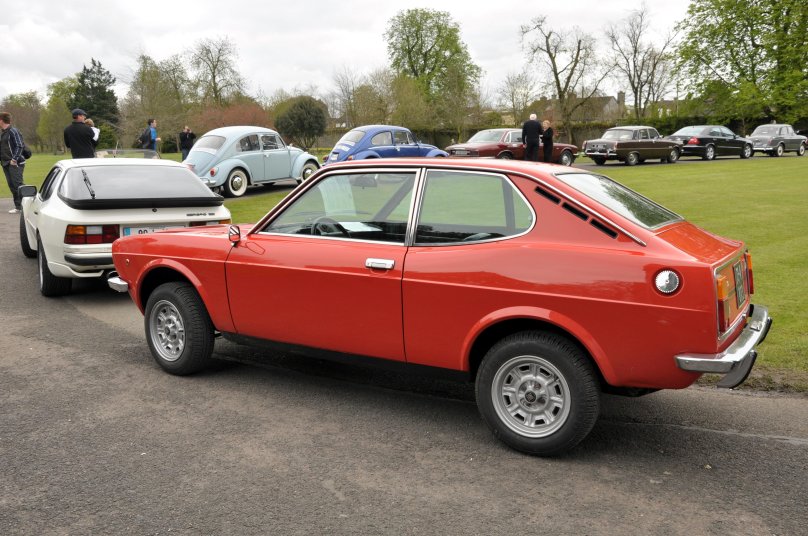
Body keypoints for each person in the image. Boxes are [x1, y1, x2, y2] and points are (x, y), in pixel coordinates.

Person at [0, 112, 26, 214]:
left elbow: (20, 145)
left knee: (18, 184)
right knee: (12, 185)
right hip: (5, 163)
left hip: (15, 163)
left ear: (1, 120)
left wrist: (14, 159)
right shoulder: (3, 133)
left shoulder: (13, 131)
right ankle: (19, 207)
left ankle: (27, 206)